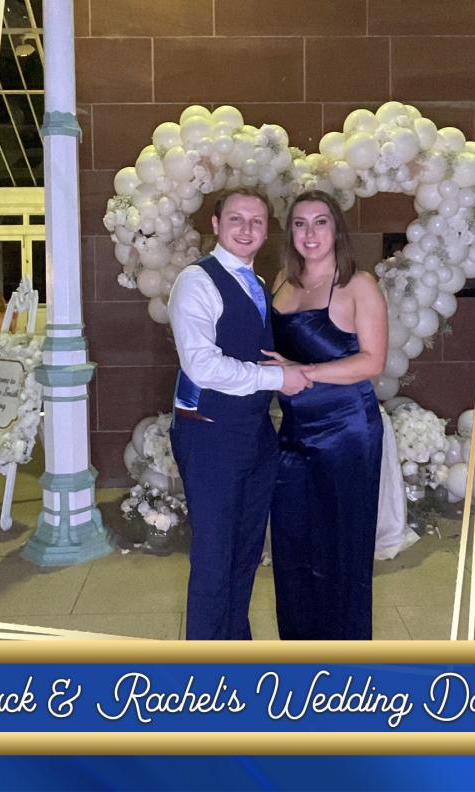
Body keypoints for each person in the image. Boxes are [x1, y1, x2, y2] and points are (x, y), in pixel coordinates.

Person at [168, 189, 312, 640]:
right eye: (236, 219)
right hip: (210, 435)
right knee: (214, 560)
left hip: (254, 433)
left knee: (245, 555)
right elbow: (202, 366)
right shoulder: (196, 281)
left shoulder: (258, 282)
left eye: (256, 221)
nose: (246, 229)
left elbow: (254, 348)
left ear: (267, 229)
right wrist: (278, 379)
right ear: (215, 225)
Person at [263, 191, 388, 640]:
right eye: (300, 223)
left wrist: (303, 372)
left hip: (346, 432)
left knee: (341, 548)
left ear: (337, 230)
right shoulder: (282, 280)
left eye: (321, 222)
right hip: (294, 431)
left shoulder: (358, 284)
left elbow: (373, 361)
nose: (310, 233)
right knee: (293, 545)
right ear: (290, 232)